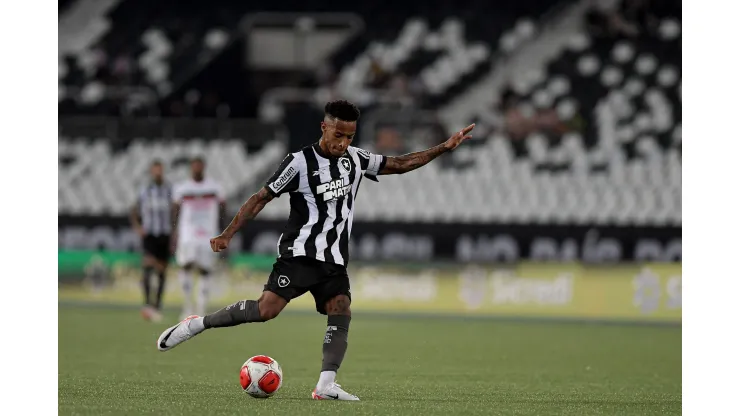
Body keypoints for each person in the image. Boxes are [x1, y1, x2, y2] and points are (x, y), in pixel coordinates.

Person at [156, 100, 475, 401]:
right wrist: (227, 233)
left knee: (341, 308)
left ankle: (325, 385)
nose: (343, 143)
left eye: (350, 137)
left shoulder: (357, 159)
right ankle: (198, 324)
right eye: (338, 135)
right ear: (324, 127)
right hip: (299, 256)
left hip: (334, 261)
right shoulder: (298, 163)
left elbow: (401, 163)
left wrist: (444, 148)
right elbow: (260, 198)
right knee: (266, 311)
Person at [171, 157, 226, 319]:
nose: (197, 168)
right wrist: (174, 233)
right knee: (185, 267)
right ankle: (187, 306)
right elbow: (174, 212)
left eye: (199, 165)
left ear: (204, 167)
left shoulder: (215, 187)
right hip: (187, 235)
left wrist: (224, 231)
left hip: (208, 235)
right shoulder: (181, 188)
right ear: (190, 168)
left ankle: (201, 308)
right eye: (194, 166)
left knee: (205, 270)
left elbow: (223, 210)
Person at [130, 160, 172, 322]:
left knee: (161, 271)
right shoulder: (145, 190)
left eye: (160, 170)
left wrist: (175, 231)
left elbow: (176, 210)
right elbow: (133, 210)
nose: (157, 173)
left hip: (164, 234)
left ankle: (157, 305)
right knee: (147, 266)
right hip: (149, 235)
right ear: (151, 172)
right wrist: (138, 227)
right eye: (155, 170)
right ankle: (147, 304)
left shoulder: (170, 189)